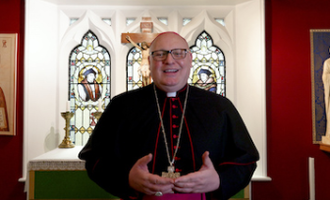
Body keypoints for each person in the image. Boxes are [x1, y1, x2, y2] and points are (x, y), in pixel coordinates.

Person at [79, 32, 259, 200]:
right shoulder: (122, 106)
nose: (169, 60)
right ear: (149, 61)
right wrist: (127, 178)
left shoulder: (220, 106)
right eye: (160, 54)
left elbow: (246, 160)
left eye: (178, 53)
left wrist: (219, 180)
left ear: (190, 59)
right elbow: (95, 159)